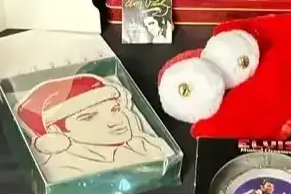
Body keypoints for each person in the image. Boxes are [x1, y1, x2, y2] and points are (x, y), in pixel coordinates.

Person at [16, 74, 173, 181]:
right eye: (89, 117)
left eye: (114, 109)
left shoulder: (148, 147)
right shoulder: (62, 171)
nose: (114, 121)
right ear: (55, 130)